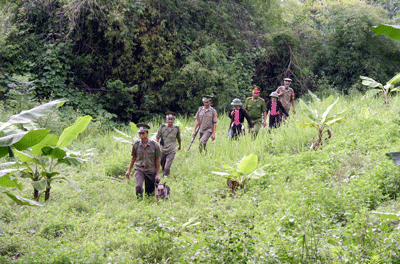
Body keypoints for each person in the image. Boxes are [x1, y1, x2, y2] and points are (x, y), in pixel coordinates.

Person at [125, 123, 161, 199]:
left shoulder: (155, 145)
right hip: (139, 169)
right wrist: (129, 170)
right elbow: (133, 158)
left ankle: (148, 204)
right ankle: (139, 202)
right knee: (138, 187)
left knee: (149, 194)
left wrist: (157, 173)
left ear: (147, 133)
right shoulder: (136, 144)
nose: (141, 135)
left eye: (143, 133)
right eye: (139, 133)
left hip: (151, 171)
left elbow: (157, 160)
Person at [155, 111, 182, 177]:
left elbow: (178, 138)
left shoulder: (176, 128)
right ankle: (163, 171)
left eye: (171, 119)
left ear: (174, 120)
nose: (170, 120)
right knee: (162, 164)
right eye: (169, 119)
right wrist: (156, 145)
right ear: (167, 119)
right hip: (162, 149)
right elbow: (157, 137)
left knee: (167, 166)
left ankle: (166, 176)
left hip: (171, 150)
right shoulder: (162, 127)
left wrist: (179, 146)